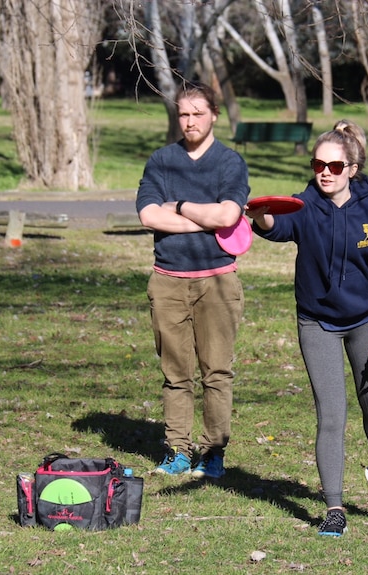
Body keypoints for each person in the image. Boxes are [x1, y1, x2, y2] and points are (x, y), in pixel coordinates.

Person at [246, 120, 368, 536]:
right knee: (332, 415)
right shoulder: (304, 206)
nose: (326, 172)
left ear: (353, 168)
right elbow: (278, 229)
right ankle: (334, 508)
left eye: (335, 165)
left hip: (366, 321)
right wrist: (260, 218)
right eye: (319, 164)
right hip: (316, 322)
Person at [135, 81, 249, 480]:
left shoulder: (229, 163)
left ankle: (213, 452)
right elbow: (149, 215)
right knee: (175, 374)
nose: (190, 121)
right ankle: (178, 450)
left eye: (198, 113)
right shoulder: (162, 161)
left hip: (217, 282)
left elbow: (228, 216)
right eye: (183, 113)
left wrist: (180, 206)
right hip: (167, 281)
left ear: (214, 114)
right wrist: (205, 217)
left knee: (216, 372)